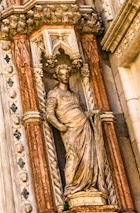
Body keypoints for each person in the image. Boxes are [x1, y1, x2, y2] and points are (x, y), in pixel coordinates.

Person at [44, 63, 105, 198]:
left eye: (67, 74)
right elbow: (49, 114)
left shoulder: (74, 95)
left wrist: (89, 115)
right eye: (62, 74)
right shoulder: (54, 93)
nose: (65, 76)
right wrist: (59, 126)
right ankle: (71, 188)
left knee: (88, 156)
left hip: (83, 125)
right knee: (73, 156)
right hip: (69, 128)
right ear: (57, 76)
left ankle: (87, 185)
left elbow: (77, 110)